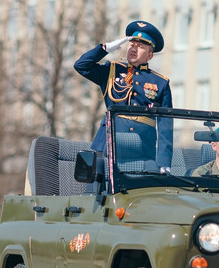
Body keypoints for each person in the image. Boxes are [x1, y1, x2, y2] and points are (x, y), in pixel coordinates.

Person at [73, 20, 173, 170]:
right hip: (108, 143)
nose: (134, 48)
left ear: (150, 55)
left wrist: (164, 161)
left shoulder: (160, 82)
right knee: (98, 188)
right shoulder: (111, 70)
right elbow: (81, 66)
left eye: (140, 46)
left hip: (142, 149)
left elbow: (166, 125)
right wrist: (105, 48)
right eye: (132, 44)